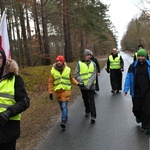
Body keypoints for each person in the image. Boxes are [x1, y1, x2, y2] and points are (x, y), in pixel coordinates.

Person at [0, 50, 30, 150]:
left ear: (4, 59)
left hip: (8, 129)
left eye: (0, 57)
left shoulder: (15, 78)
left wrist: (8, 112)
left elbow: (24, 101)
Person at [48, 55, 82, 130]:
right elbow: (50, 82)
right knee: (62, 107)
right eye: (57, 61)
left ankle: (63, 121)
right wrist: (50, 92)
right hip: (58, 92)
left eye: (60, 61)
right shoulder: (53, 71)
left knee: (64, 106)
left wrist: (77, 83)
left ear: (63, 61)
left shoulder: (67, 69)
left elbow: (71, 79)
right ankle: (65, 116)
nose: (59, 62)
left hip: (66, 91)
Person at [123, 49, 150, 134]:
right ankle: (138, 116)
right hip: (136, 91)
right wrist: (126, 89)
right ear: (137, 56)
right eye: (139, 56)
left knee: (147, 109)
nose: (141, 57)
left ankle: (146, 127)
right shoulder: (133, 66)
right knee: (136, 108)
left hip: (147, 91)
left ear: (145, 56)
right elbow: (128, 78)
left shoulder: (149, 66)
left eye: (142, 56)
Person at [74, 49, 97, 123]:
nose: (89, 56)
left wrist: (89, 84)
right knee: (85, 99)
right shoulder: (79, 63)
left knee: (92, 100)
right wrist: (81, 81)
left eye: (90, 55)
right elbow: (76, 74)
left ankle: (93, 116)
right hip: (83, 85)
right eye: (88, 55)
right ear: (84, 56)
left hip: (91, 85)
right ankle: (87, 110)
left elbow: (94, 75)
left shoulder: (93, 64)